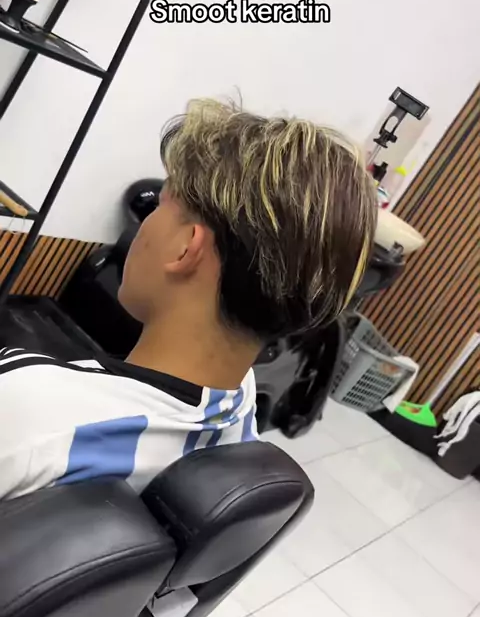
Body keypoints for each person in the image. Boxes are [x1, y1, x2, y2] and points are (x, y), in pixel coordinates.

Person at [0, 99, 377, 499]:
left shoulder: (30, 413)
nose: (146, 224)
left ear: (185, 248)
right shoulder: (238, 405)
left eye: (161, 204)